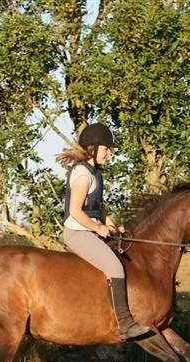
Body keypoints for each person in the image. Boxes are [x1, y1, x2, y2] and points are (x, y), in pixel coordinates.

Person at [58, 123, 152, 340]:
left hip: (89, 230)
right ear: (92, 148)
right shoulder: (83, 174)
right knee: (116, 269)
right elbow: (74, 211)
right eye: (106, 149)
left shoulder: (95, 173)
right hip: (77, 232)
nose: (109, 153)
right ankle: (126, 325)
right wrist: (97, 228)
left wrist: (111, 224)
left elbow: (97, 208)